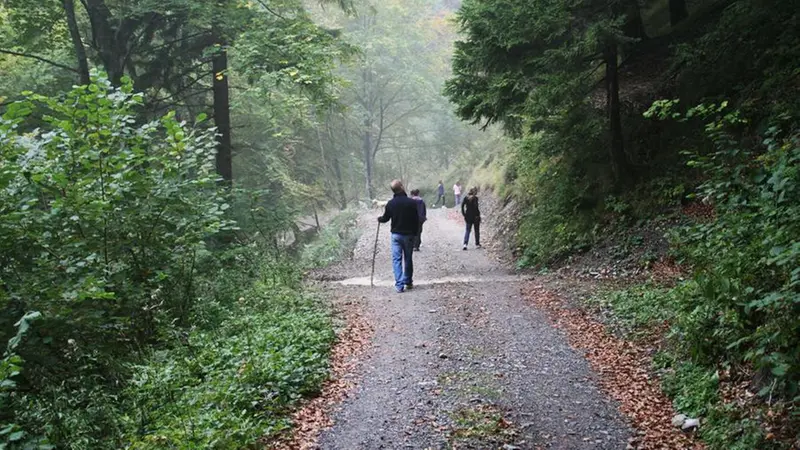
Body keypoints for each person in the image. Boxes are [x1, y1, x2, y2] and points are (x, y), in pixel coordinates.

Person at [378, 180, 420, 293]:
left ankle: (399, 285)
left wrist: (379, 219)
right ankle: (408, 281)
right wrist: (416, 234)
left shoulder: (391, 204)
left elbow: (385, 218)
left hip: (396, 235)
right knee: (408, 258)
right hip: (409, 235)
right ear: (401, 187)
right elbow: (416, 220)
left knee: (396, 259)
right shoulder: (411, 203)